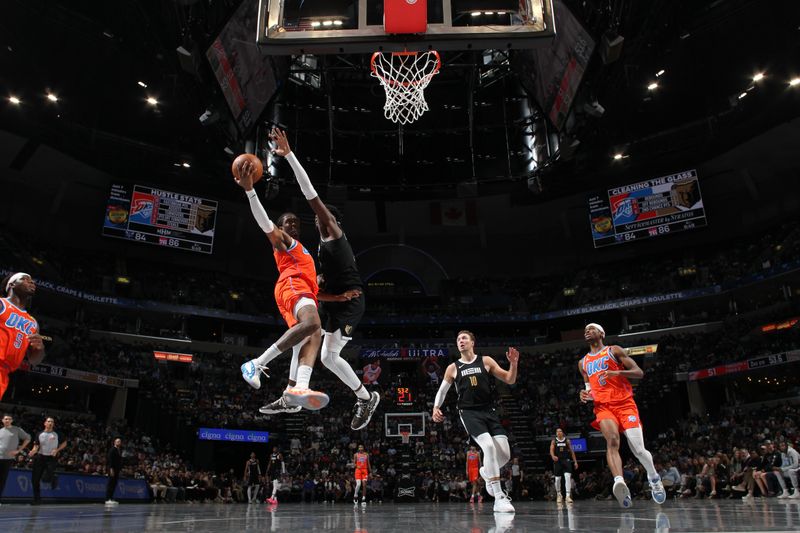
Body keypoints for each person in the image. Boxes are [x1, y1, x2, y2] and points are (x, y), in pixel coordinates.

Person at [260, 129, 380, 430]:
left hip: (352, 303)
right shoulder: (317, 248)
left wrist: (289, 156)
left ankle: (365, 398)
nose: (317, 220)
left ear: (333, 221)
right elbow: (317, 292)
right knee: (304, 332)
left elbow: (309, 192)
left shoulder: (334, 233)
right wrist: (330, 295)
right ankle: (290, 393)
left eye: (322, 218)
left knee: (328, 356)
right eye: (317, 220)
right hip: (336, 299)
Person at [234, 159, 328, 411]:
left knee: (311, 334)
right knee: (313, 324)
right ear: (282, 226)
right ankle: (256, 362)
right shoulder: (284, 241)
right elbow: (265, 223)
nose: (293, 224)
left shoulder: (305, 251)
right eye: (288, 222)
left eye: (296, 222)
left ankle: (294, 390)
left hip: (302, 290)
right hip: (292, 286)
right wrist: (250, 190)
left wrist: (322, 284)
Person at [578, 323, 666, 508]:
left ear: (602, 333)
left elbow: (639, 373)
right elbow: (589, 389)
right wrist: (584, 394)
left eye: (591, 329)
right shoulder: (583, 363)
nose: (587, 331)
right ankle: (619, 481)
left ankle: (653, 477)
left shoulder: (614, 350)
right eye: (585, 330)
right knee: (612, 442)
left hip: (625, 403)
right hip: (603, 406)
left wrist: (616, 372)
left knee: (638, 450)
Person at [432, 330, 518, 513]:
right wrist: (435, 407)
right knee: (487, 447)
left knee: (505, 455)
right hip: (469, 412)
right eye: (458, 339)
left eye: (464, 338)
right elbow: (442, 391)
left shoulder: (486, 361)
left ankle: (487, 472)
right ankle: (499, 497)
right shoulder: (453, 367)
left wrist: (514, 364)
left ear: (472, 342)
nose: (460, 341)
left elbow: (510, 379)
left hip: (489, 411)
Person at [0, 273, 45, 400]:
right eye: (24, 279)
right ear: (12, 284)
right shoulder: (1, 304)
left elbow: (34, 360)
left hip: (4, 373)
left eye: (32, 280)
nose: (31, 282)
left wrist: (40, 349)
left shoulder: (33, 322)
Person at [29, 416, 66, 505]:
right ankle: (37, 499)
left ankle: (53, 477)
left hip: (51, 458)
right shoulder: (39, 434)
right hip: (40, 457)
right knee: (35, 479)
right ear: (45, 423)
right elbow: (36, 446)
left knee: (47, 477)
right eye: (48, 421)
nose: (50, 423)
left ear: (53, 424)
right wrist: (33, 451)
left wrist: (57, 450)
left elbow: (64, 443)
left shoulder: (57, 434)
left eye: (52, 422)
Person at [0, 414, 31, 505]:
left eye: (9, 419)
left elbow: (28, 438)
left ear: (12, 420)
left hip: (8, 458)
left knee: (2, 480)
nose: (7, 420)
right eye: (5, 419)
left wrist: (19, 450)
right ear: (2, 420)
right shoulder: (0, 431)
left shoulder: (17, 430)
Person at [550, 428, 578, 504]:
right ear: (556, 433)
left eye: (560, 431)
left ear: (562, 433)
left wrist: (575, 462)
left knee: (567, 477)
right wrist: (553, 456)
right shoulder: (554, 441)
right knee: (557, 479)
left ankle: (568, 496)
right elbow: (551, 450)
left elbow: (572, 452)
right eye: (557, 431)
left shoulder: (567, 441)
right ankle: (559, 494)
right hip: (558, 461)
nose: (558, 432)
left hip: (566, 460)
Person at [105, 437, 122, 505]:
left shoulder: (119, 450)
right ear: (115, 442)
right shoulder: (112, 450)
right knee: (110, 484)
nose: (119, 442)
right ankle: (107, 499)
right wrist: (111, 469)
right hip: (112, 469)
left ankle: (111, 498)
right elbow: (110, 460)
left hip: (117, 469)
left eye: (120, 441)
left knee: (114, 484)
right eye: (118, 441)